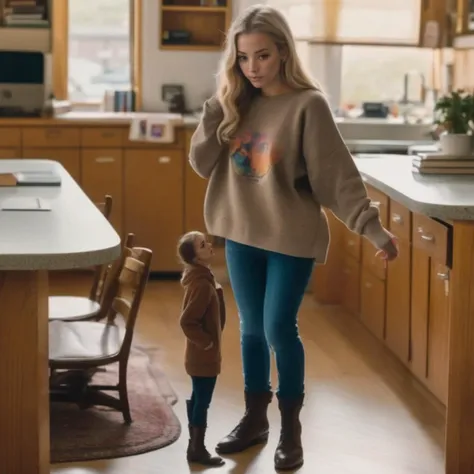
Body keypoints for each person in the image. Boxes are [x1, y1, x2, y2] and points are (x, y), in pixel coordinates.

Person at [188, 4, 399, 471]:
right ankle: (255, 419)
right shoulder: (236, 102)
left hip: (291, 236)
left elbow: (336, 177)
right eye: (243, 58)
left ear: (283, 52)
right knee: (250, 329)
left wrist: (372, 228)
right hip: (242, 233)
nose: (253, 67)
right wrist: (215, 110)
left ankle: (291, 429)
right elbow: (202, 164)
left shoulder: (308, 105)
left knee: (279, 327)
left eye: (262, 56)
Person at [177, 231, 227, 467]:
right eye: (202, 245)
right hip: (203, 355)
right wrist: (206, 342)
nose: (209, 246)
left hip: (201, 355)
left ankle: (193, 445)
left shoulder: (203, 279)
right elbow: (187, 321)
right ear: (195, 257)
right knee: (202, 400)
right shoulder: (201, 285)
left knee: (198, 396)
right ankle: (197, 448)